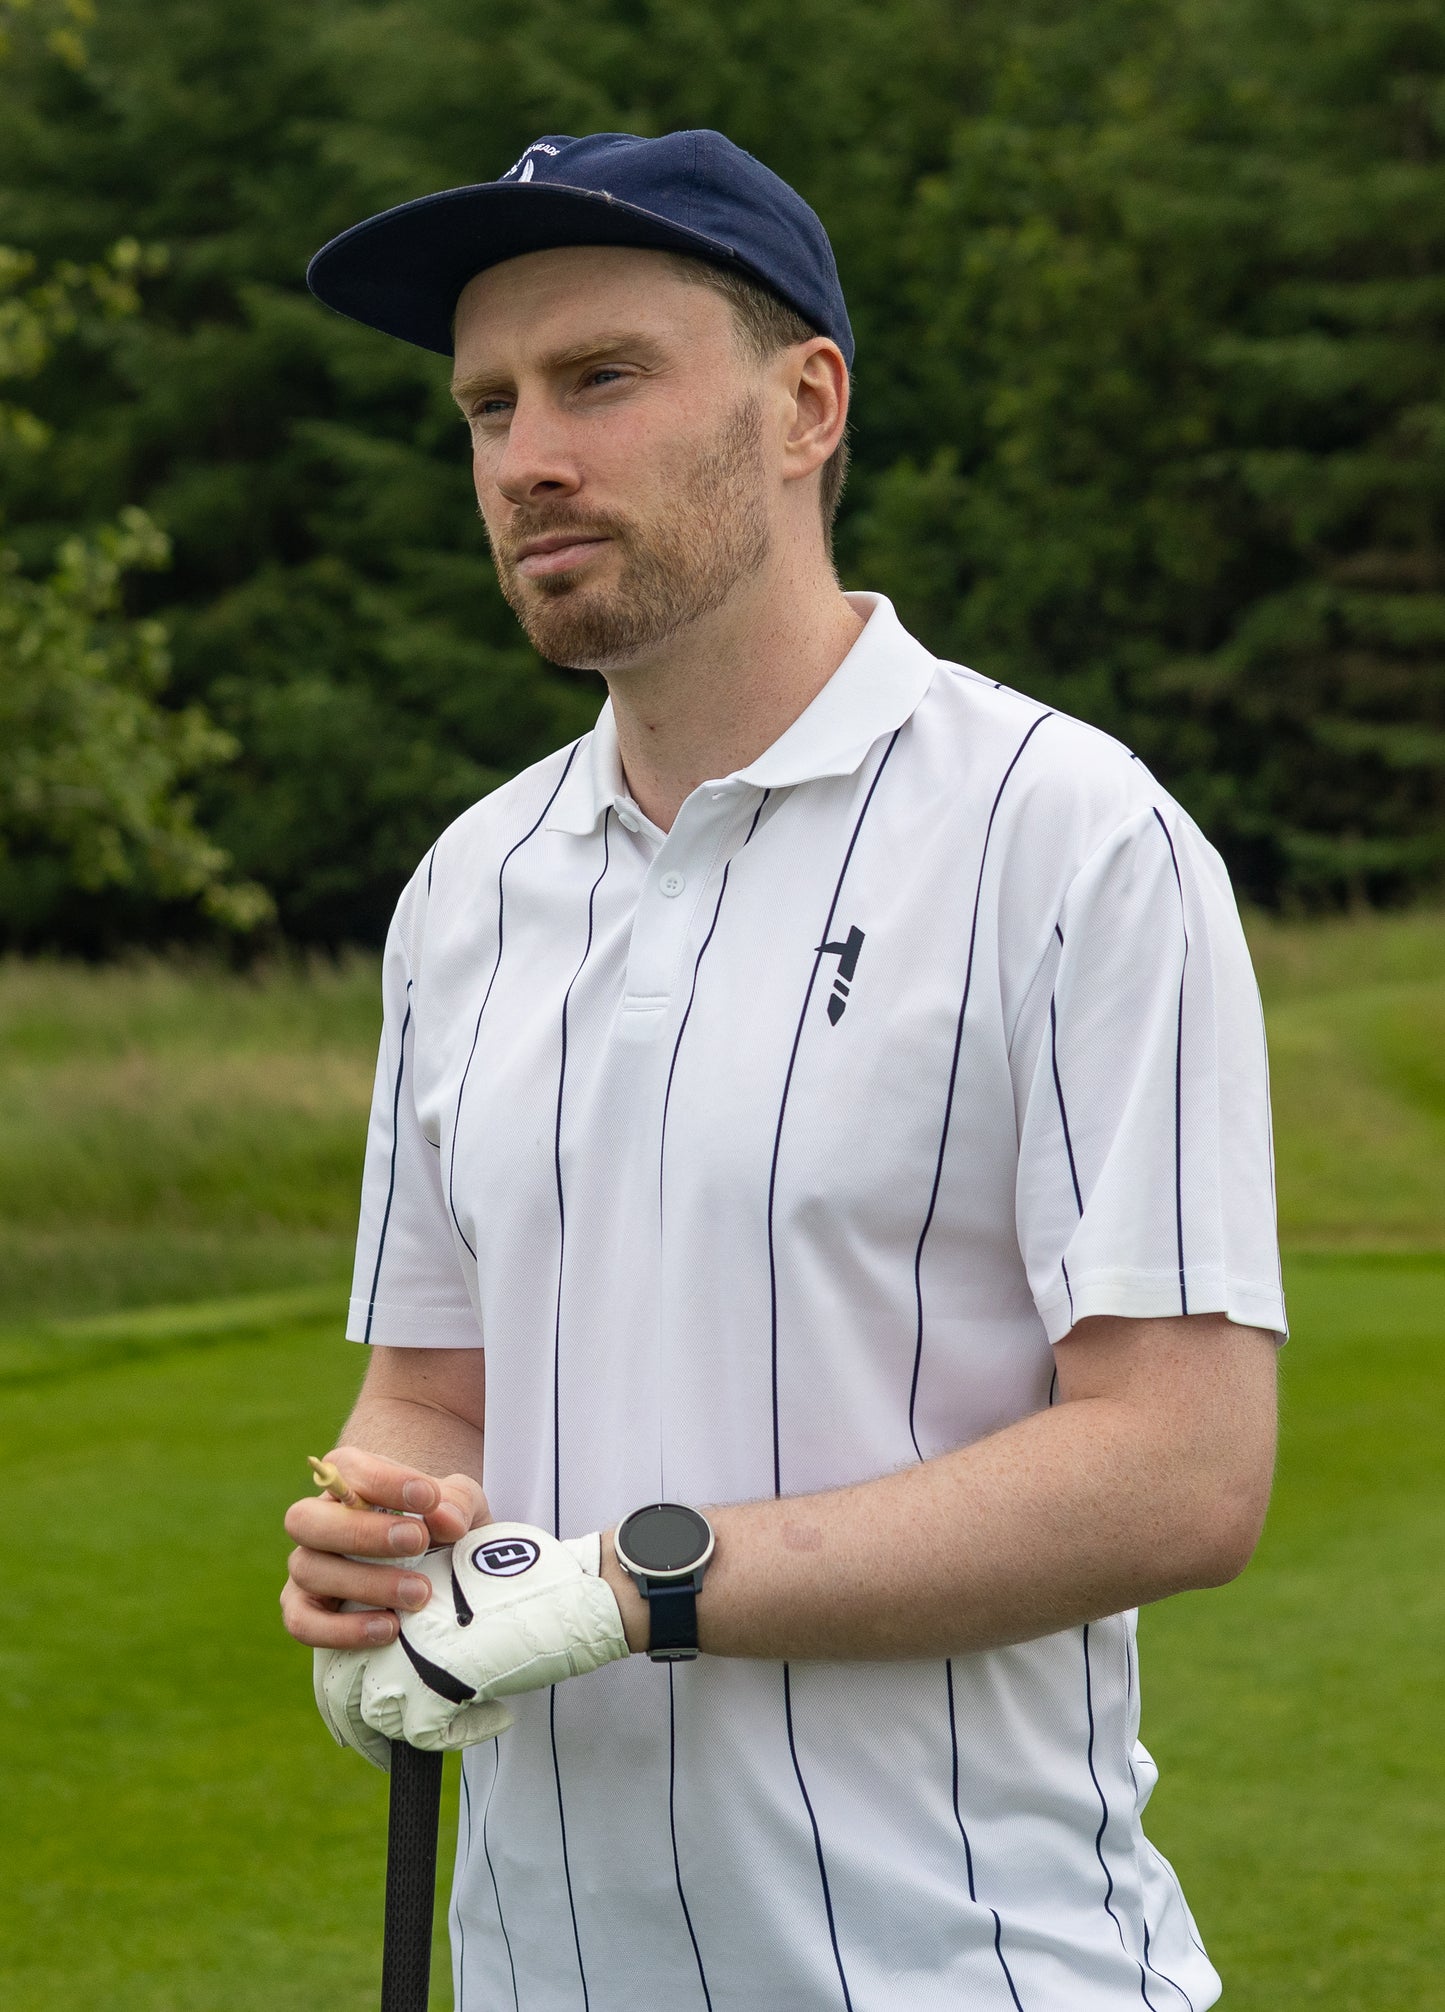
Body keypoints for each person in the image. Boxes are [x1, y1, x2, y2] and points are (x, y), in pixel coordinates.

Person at [283, 129, 1285, 2012]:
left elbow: (1179, 1471)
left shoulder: (1063, 835)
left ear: (804, 402)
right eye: (484, 406)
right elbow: (426, 1394)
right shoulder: (466, 886)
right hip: (535, 1970)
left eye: (600, 378)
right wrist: (373, 1553)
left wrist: (631, 1583)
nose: (526, 459)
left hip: (968, 1971)